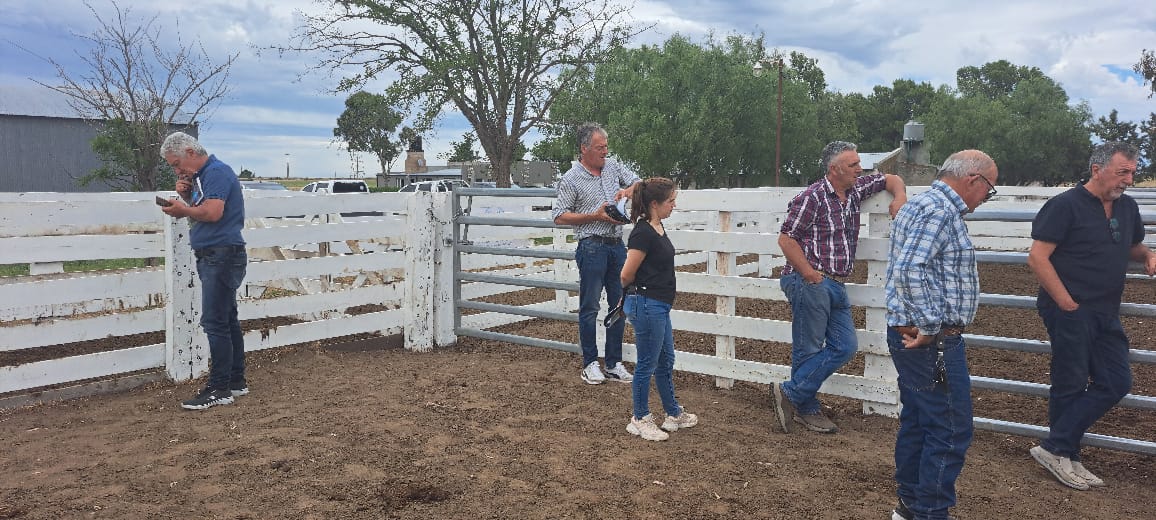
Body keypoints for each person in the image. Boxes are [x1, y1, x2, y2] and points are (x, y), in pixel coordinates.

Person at [1026, 142, 1156, 490]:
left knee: (1116, 381)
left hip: (1105, 309)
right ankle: (1065, 455)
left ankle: (1057, 448)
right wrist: (1067, 303)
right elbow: (1038, 257)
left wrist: (1147, 254)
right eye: (1122, 171)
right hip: (1070, 307)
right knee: (1069, 381)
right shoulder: (1065, 206)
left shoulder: (1127, 208)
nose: (1129, 179)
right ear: (1097, 169)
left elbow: (1128, 244)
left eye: (1132, 171)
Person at [885, 150, 999, 520]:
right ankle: (930, 512)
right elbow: (908, 270)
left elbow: (910, 268)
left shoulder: (923, 205)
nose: (986, 197)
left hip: (914, 334)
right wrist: (933, 327)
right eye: (990, 189)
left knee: (921, 421)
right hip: (931, 340)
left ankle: (911, 505)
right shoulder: (940, 211)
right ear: (973, 180)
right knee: (950, 428)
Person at [771, 141, 907, 433]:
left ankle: (791, 393)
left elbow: (890, 179)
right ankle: (807, 409)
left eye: (859, 163)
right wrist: (808, 273)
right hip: (812, 279)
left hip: (834, 282)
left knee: (846, 346)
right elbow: (786, 239)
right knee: (808, 347)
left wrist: (900, 196)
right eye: (853, 165)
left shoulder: (855, 189)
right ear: (835, 169)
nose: (860, 169)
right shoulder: (813, 197)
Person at [159, 132, 249, 411]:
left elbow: (213, 213)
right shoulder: (207, 176)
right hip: (220, 254)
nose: (177, 170)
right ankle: (235, 380)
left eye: (176, 164)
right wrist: (188, 197)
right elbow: (207, 209)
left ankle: (220, 387)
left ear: (189, 151)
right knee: (227, 319)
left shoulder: (216, 172)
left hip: (220, 255)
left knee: (214, 322)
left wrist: (183, 211)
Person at [552, 123, 640, 385]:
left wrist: (628, 191)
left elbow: (639, 181)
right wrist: (595, 215)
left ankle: (613, 363)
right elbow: (558, 216)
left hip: (616, 245)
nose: (605, 151)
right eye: (600, 147)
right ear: (584, 148)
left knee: (619, 304)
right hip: (591, 245)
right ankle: (590, 362)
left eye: (606, 147)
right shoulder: (570, 178)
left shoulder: (612, 166)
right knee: (589, 306)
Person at [619, 177, 698, 441]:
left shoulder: (657, 227)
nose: (673, 205)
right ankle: (640, 417)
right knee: (647, 363)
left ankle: (673, 412)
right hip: (648, 304)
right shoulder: (642, 233)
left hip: (658, 305)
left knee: (664, 361)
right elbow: (626, 274)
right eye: (670, 201)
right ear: (654, 204)